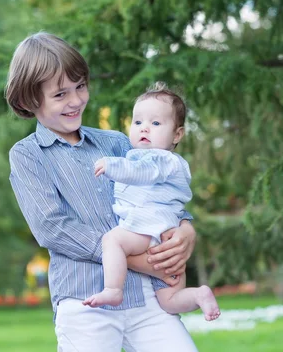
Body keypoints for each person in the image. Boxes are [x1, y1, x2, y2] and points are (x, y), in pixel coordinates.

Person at [6, 32, 200, 351]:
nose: (75, 100)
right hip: (85, 303)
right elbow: (52, 228)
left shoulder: (117, 143)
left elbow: (158, 189)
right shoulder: (28, 155)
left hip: (148, 298)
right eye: (60, 94)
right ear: (29, 101)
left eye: (80, 86)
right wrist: (134, 258)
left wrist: (185, 227)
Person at [82, 83, 220, 322]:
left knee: (112, 239)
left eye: (155, 123)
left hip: (147, 227)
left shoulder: (162, 160)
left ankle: (114, 290)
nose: (144, 128)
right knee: (170, 303)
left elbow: (142, 172)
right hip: (164, 237)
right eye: (138, 122)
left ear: (177, 135)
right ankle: (199, 295)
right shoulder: (149, 158)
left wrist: (112, 165)